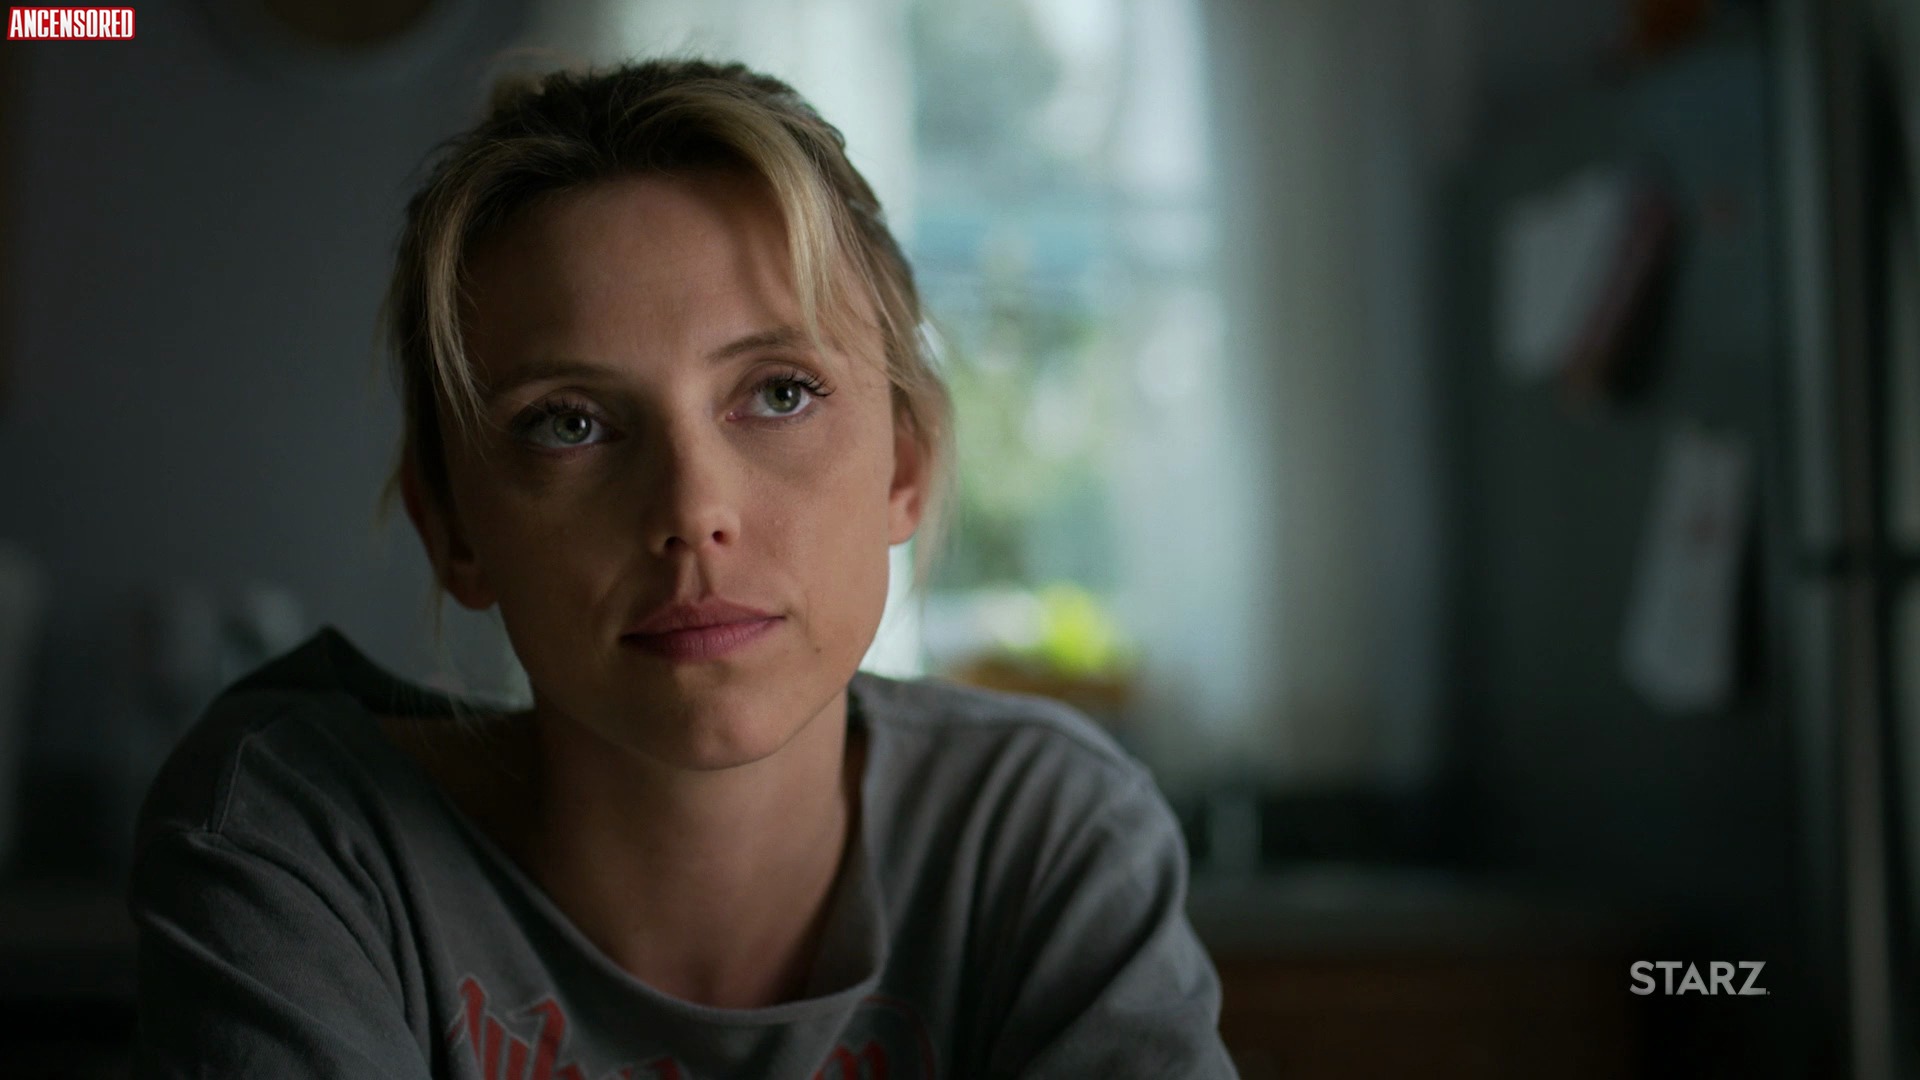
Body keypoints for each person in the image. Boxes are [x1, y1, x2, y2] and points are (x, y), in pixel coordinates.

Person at [128, 58, 1236, 1079]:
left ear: (905, 467)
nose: (692, 513)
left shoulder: (1042, 833)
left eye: (781, 393)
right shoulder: (301, 840)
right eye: (569, 423)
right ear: (454, 528)